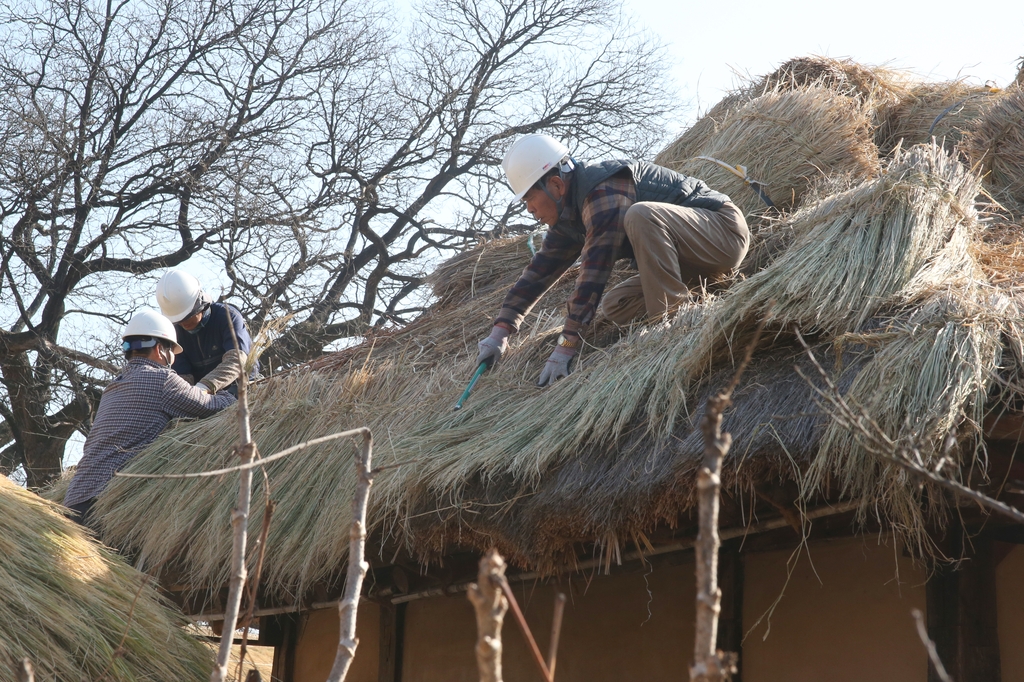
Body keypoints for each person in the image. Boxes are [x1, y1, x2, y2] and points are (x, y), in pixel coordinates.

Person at [476, 134, 749, 386]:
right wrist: (501, 330)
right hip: (690, 263)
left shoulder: (603, 189)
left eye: (530, 198)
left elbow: (595, 268)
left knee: (640, 215)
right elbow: (539, 271)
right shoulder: (569, 217)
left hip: (722, 235)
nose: (530, 209)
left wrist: (566, 345)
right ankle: (703, 293)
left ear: (556, 185)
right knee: (617, 305)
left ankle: (677, 321)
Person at [64, 310, 236, 526]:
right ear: (159, 349)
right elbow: (213, 407)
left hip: (75, 497)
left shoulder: (113, 387)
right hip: (104, 503)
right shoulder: (163, 380)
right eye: (172, 351)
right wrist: (233, 394)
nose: (173, 358)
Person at [156, 270, 257, 396]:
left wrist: (204, 386)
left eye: (187, 317)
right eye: (178, 321)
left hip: (241, 386)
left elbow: (236, 361)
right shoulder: (175, 333)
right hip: (203, 396)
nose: (183, 324)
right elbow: (183, 375)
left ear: (201, 304)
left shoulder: (227, 316)